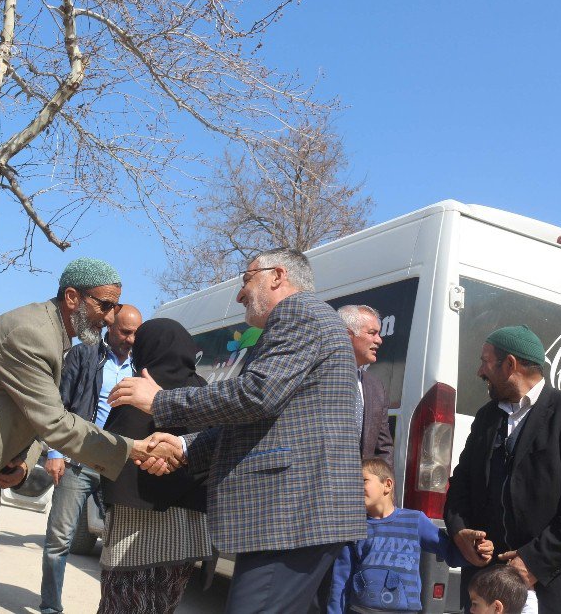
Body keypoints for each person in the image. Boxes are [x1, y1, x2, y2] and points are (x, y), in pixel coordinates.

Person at [0, 257, 182, 613]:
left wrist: (25, 465)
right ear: (73, 297)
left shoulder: (55, 336)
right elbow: (55, 422)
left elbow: (29, 415)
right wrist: (133, 449)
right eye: (105, 305)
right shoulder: (30, 333)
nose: (109, 318)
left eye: (115, 307)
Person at [109, 247, 367, 613]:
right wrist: (184, 446)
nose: (240, 293)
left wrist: (161, 402)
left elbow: (257, 395)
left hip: (291, 517)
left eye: (246, 280)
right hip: (296, 520)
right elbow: (260, 419)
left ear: (277, 276)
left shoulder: (299, 314)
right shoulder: (302, 323)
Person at [444, 325, 561, 613]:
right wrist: (461, 532)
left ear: (510, 364)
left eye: (485, 362)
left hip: (559, 592)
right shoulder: (487, 418)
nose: (479, 372)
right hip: (491, 594)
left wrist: (533, 561)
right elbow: (461, 485)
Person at [97, 318, 212, 614]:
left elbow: (112, 447)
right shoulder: (201, 391)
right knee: (162, 605)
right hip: (186, 531)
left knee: (121, 603)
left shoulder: (136, 388)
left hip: (132, 526)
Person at [39, 305, 142, 614]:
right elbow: (61, 402)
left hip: (117, 468)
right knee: (59, 540)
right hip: (77, 462)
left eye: (136, 332)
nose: (131, 339)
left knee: (117, 549)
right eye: (125, 331)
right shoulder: (86, 354)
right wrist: (56, 452)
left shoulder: (141, 366)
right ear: (110, 327)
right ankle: (50, 607)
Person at [327, 458, 492, 613]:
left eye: (363, 480)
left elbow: (450, 553)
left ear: (387, 485)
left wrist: (477, 550)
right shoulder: (354, 527)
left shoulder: (414, 521)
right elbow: (341, 581)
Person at [338, 305, 394, 467]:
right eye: (372, 333)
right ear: (347, 335)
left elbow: (383, 448)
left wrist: (384, 486)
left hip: (358, 488)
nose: (379, 340)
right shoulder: (320, 375)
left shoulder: (376, 388)